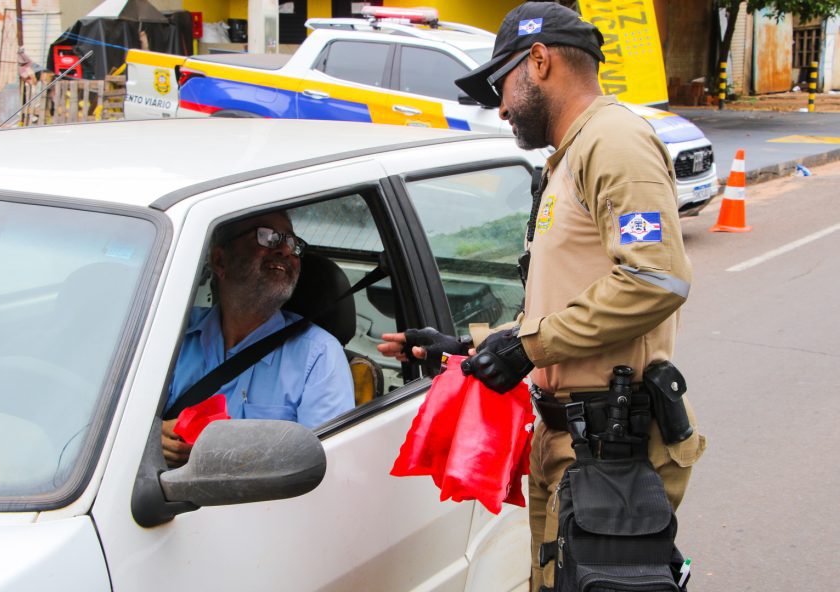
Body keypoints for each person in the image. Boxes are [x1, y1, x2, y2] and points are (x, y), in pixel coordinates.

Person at [380, 3, 705, 589]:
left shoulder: (615, 141)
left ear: (539, 60)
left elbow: (655, 279)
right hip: (576, 441)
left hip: (610, 447)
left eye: (502, 85)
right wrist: (469, 345)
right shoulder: (574, 153)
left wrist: (525, 350)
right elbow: (563, 304)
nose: (501, 107)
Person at [162, 211, 355, 467]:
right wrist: (154, 435)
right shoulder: (171, 331)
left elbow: (323, 466)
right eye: (268, 237)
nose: (286, 250)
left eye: (292, 242)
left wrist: (231, 455)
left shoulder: (319, 355)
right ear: (220, 260)